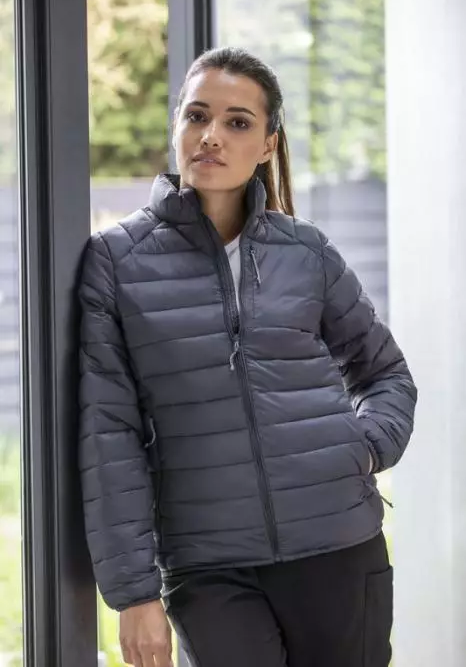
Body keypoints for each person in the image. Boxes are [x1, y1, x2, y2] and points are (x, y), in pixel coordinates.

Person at [78, 46, 417, 667]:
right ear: (177, 125)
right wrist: (134, 594)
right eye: (197, 115)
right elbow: (109, 433)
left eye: (237, 122)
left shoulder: (306, 251)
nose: (211, 135)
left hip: (339, 546)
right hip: (208, 565)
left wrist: (364, 448)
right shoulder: (117, 261)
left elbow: (385, 372)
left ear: (267, 145)